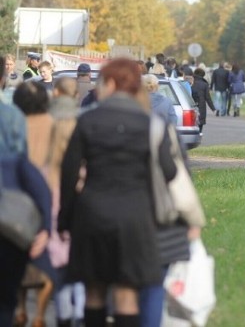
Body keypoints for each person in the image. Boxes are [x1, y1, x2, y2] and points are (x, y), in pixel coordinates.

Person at [58, 58, 177, 327]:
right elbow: (169, 171)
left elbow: (68, 172)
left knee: (95, 291)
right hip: (136, 216)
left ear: (110, 83)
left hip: (92, 215)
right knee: (127, 292)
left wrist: (64, 219)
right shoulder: (151, 124)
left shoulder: (86, 120)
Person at [12, 80, 57, 327]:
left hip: (17, 196)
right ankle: (40, 314)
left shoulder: (13, 124)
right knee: (46, 258)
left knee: (18, 253)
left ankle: (20, 307)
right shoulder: (53, 125)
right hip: (48, 194)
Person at [47, 77, 87, 327]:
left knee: (59, 263)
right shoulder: (83, 123)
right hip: (81, 199)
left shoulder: (46, 122)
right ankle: (81, 312)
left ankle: (62, 314)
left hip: (52, 195)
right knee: (81, 262)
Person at [191, 68, 215, 134]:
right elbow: (208, 98)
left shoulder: (191, 82)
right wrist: (213, 108)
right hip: (201, 105)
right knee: (200, 122)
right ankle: (199, 134)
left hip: (191, 104)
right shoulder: (204, 84)